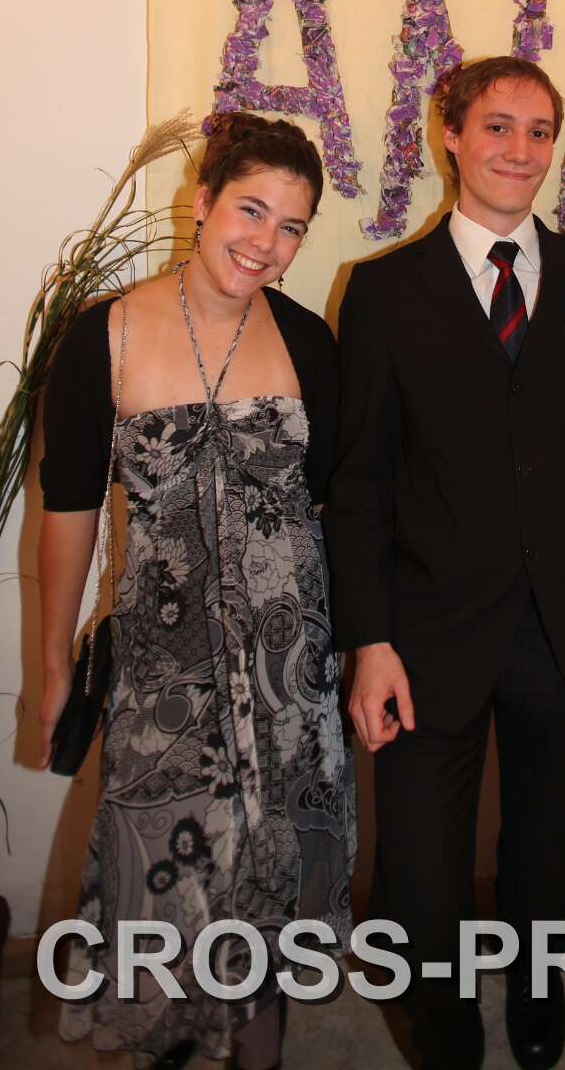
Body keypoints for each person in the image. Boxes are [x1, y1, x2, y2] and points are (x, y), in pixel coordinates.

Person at [38, 113, 356, 1070]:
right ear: (204, 201)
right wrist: (52, 669)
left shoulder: (308, 342)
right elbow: (68, 512)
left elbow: (335, 508)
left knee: (272, 880)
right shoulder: (103, 334)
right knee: (162, 874)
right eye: (250, 211)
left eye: (291, 227)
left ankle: (260, 1052)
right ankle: (164, 1043)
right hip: (161, 676)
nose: (265, 242)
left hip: (291, 677)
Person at [325, 56, 565, 1070]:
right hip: (424, 631)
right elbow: (359, 483)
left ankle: (539, 997)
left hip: (563, 622)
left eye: (539, 132)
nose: (519, 151)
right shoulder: (381, 291)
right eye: (498, 126)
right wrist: (368, 640)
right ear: (448, 135)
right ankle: (442, 1028)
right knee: (420, 868)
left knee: (552, 849)